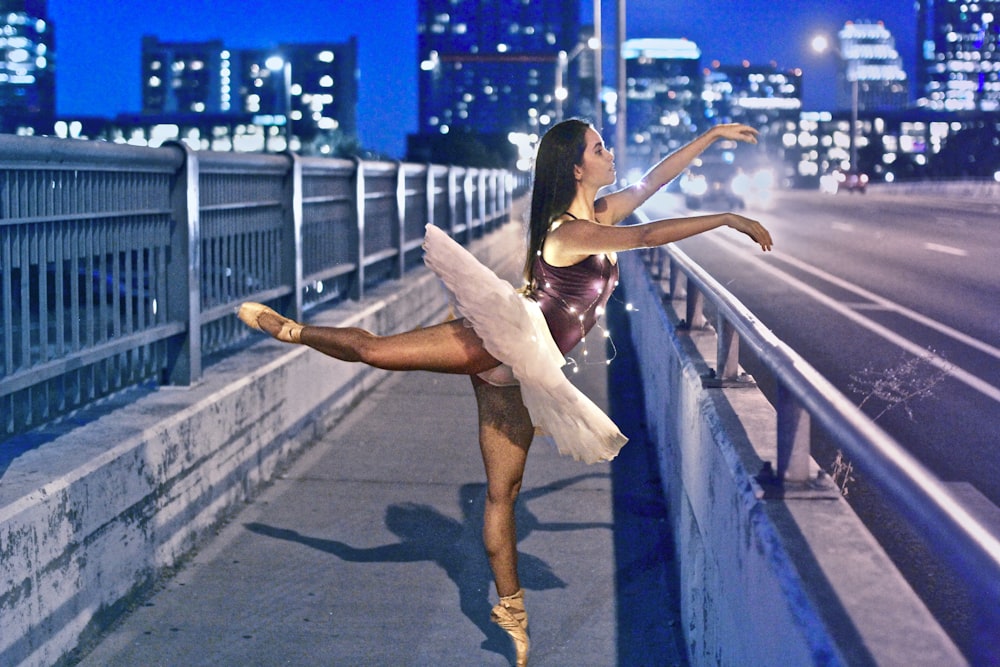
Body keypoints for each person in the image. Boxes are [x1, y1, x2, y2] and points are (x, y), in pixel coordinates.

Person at [237, 119, 772, 666]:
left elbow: (654, 182)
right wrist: (727, 218)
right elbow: (646, 237)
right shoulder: (568, 233)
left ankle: (512, 615)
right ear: (577, 167)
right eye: (598, 148)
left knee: (504, 494)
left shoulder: (601, 214)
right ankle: (291, 330)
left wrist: (709, 139)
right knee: (379, 352)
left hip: (526, 372)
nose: (610, 153)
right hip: (503, 343)